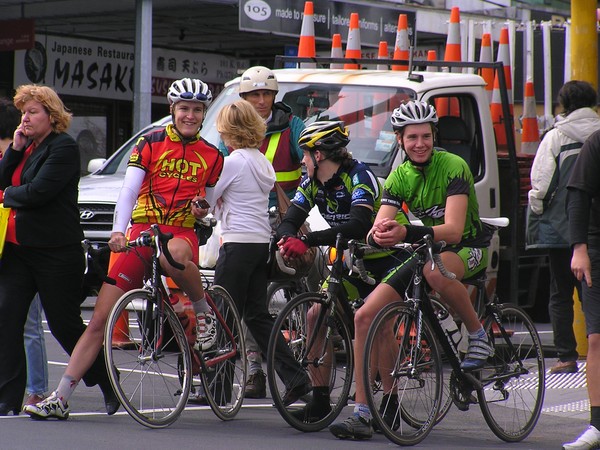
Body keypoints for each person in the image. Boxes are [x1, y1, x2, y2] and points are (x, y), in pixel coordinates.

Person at [24, 78, 224, 419]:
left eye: (197, 110)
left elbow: (209, 201)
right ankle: (60, 396)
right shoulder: (150, 142)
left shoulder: (212, 155)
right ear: (173, 111)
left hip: (179, 233)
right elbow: (129, 191)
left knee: (174, 255)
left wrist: (203, 209)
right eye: (184, 109)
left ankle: (204, 310)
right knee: (99, 320)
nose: (190, 115)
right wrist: (118, 231)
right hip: (142, 232)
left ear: (204, 114)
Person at [329, 100, 494, 440]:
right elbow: (381, 223)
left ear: (434, 137)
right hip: (429, 248)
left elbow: (454, 230)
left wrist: (405, 233)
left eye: (426, 136)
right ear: (400, 140)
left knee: (434, 272)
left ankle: (478, 335)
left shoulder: (454, 166)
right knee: (364, 317)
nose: (419, 144)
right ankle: (362, 412)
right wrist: (378, 234)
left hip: (468, 246)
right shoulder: (399, 176)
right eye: (411, 137)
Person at [276, 120, 412, 423]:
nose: (302, 160)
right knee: (316, 314)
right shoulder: (312, 181)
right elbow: (293, 215)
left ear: (320, 155)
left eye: (305, 154)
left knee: (382, 325)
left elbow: (358, 225)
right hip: (353, 260)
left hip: (388, 258)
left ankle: (390, 406)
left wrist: (307, 239)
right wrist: (287, 237)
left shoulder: (359, 176)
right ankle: (322, 398)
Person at [0, 85, 114, 416]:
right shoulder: (27, 148)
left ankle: (106, 378)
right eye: (23, 112)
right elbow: (3, 179)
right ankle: (8, 398)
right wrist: (16, 151)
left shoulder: (62, 148)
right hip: (19, 252)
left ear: (52, 116)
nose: (25, 118)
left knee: (64, 326)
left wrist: (7, 195)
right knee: (7, 319)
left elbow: (39, 192)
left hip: (55, 252)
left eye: (33, 112)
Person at [205, 99, 311, 407]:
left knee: (223, 314)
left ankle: (217, 387)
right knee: (257, 316)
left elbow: (208, 202)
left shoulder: (234, 162)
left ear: (229, 131)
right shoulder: (263, 162)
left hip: (236, 244)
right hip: (259, 245)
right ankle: (295, 377)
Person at [527, 80, 599, 374]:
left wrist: (537, 210)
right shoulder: (597, 134)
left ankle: (567, 356)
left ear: (564, 105)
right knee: (591, 291)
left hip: (561, 228)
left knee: (560, 292)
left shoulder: (556, 137)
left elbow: (540, 183)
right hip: (594, 229)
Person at [0, 97, 49, 407]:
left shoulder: (23, 150)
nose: (26, 120)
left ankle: (37, 387)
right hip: (8, 238)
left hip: (19, 241)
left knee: (29, 321)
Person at [563, 128, 600, 450]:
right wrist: (580, 248)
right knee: (597, 336)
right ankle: (597, 424)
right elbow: (578, 195)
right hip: (597, 247)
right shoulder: (597, 142)